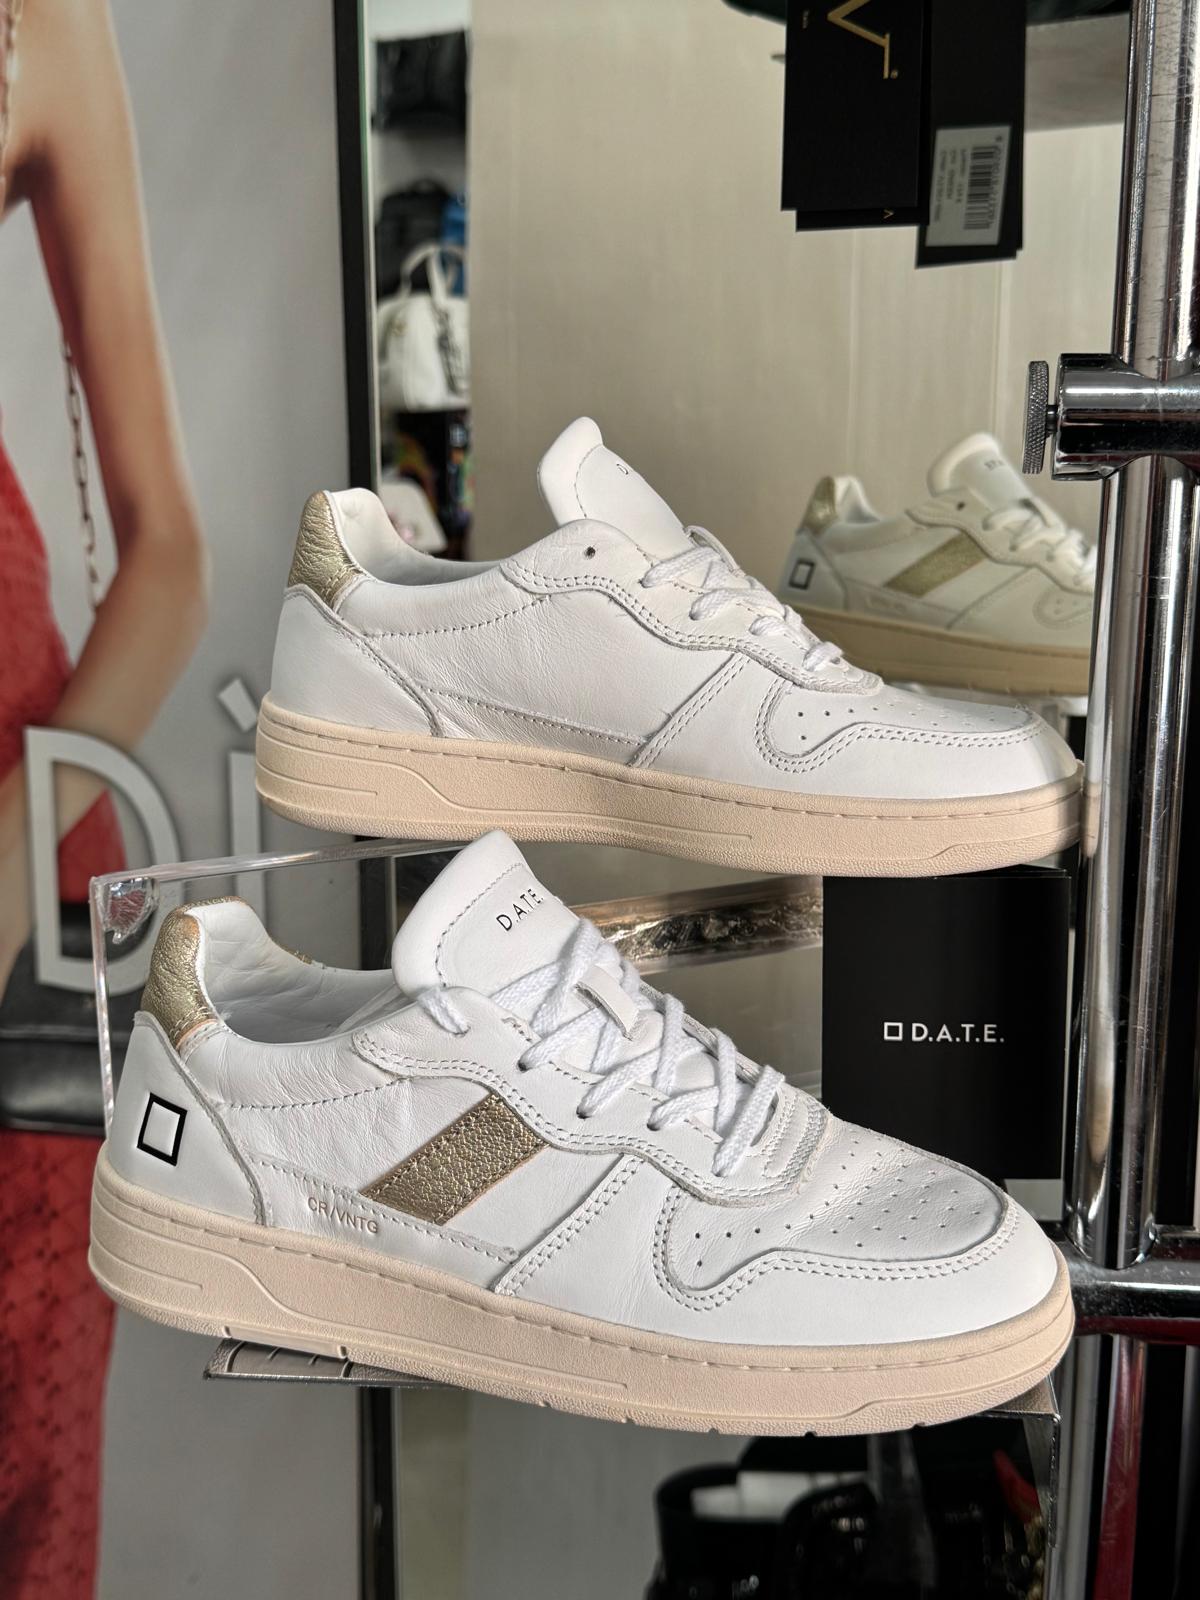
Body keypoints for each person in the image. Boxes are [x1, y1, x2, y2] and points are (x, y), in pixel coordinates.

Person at [0, 0, 207, 1592]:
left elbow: (168, 557)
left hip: (10, 850)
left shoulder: (41, 29)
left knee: (25, 1485)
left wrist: (5, 864)